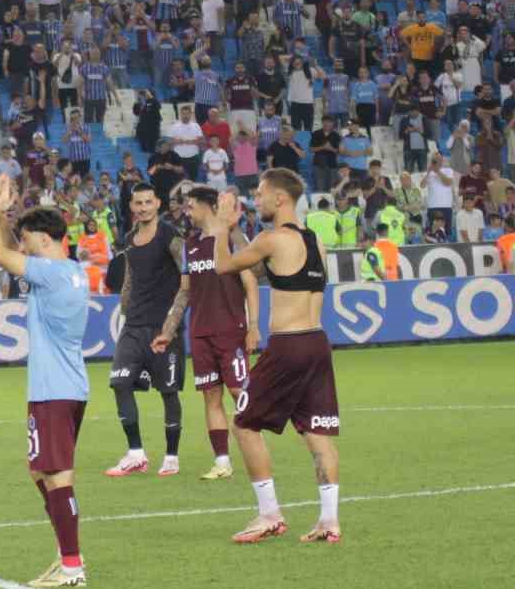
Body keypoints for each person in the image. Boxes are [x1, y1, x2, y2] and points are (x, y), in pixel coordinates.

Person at [0, 164, 91, 589]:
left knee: (57, 474)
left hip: (53, 389)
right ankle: (66, 550)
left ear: (43, 240)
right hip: (68, 386)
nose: (22, 248)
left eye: (27, 241)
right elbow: (7, 250)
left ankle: (72, 564)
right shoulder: (71, 270)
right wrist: (3, 217)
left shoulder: (53, 272)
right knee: (39, 470)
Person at [212, 169, 342, 545]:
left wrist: (222, 226)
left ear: (281, 198)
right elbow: (260, 266)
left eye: (261, 192)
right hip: (317, 341)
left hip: (287, 345)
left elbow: (224, 266)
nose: (257, 198)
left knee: (244, 424)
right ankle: (329, 521)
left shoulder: (271, 239)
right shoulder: (315, 243)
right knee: (317, 434)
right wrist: (237, 232)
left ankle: (269, 514)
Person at [159, 186, 259, 482]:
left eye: (191, 206)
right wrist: (168, 329)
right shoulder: (190, 245)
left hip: (231, 331)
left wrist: (254, 326)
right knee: (211, 398)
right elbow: (186, 290)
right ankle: (222, 462)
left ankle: (256, 452)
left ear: (210, 206)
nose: (187, 212)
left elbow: (251, 283)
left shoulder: (231, 238)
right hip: (200, 333)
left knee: (240, 393)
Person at [106, 184, 187, 478]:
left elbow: (187, 280)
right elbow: (129, 278)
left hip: (164, 328)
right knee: (119, 383)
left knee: (168, 392)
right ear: (131, 206)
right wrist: (125, 310)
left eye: (148, 202)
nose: (143, 207)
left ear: (158, 204)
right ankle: (136, 453)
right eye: (138, 203)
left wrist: (172, 324)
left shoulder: (171, 237)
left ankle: (171, 456)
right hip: (134, 327)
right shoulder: (129, 239)